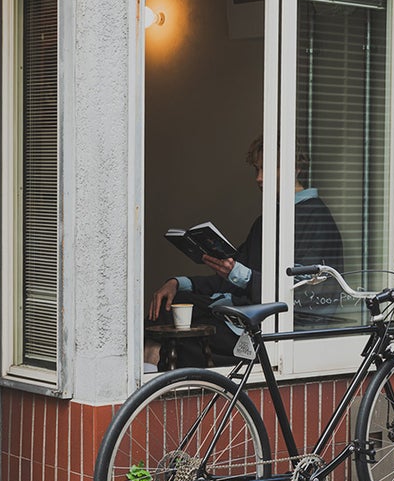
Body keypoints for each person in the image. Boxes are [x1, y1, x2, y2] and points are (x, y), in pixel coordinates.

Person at [145, 135, 343, 369]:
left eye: (267, 169)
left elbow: (301, 289)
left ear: (295, 169)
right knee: (169, 305)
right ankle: (154, 374)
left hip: (273, 326)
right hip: (241, 311)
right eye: (257, 169)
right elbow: (233, 277)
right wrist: (179, 283)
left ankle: (157, 376)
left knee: (185, 341)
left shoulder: (316, 219)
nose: (259, 178)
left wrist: (242, 275)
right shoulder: (267, 221)